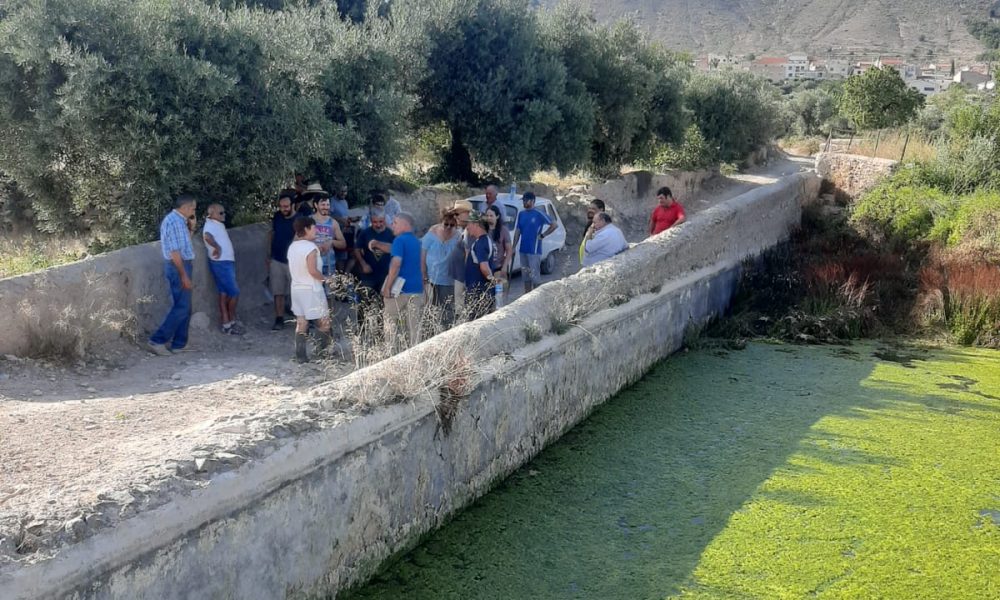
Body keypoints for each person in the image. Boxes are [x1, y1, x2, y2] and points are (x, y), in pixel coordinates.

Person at [148, 195, 198, 356]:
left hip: (182, 265)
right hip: (179, 267)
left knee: (185, 306)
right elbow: (175, 252)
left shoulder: (180, 221)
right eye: (193, 208)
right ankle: (157, 340)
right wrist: (184, 275)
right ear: (185, 207)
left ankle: (179, 344)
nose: (193, 211)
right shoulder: (174, 222)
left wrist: (192, 228)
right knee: (182, 307)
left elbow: (184, 244)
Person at [287, 217, 334, 362]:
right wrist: (326, 279)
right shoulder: (310, 248)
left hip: (296, 288)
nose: (316, 231)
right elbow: (313, 271)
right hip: (312, 289)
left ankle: (300, 356)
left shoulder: (292, 247)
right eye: (314, 228)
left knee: (301, 322)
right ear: (306, 229)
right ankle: (323, 354)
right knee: (324, 322)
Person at [381, 212, 424, 350]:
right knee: (414, 327)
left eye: (395, 222)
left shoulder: (399, 240)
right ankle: (415, 355)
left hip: (400, 290)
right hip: (417, 289)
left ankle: (390, 354)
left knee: (390, 322)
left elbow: (396, 264)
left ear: (405, 225)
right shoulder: (418, 242)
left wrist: (387, 286)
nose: (392, 225)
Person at [202, 203, 243, 335]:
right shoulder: (210, 225)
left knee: (223, 293)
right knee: (234, 292)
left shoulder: (217, 224)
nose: (223, 215)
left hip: (224, 262)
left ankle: (226, 324)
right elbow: (207, 236)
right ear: (212, 213)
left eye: (223, 212)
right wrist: (217, 248)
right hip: (221, 262)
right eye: (220, 213)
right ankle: (231, 319)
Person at [353, 208, 395, 330]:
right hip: (368, 275)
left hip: (385, 275)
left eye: (381, 221)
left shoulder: (391, 233)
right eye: (375, 222)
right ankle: (361, 329)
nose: (378, 224)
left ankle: (380, 330)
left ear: (385, 221)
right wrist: (363, 264)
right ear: (371, 221)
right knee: (363, 302)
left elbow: (396, 252)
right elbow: (356, 249)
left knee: (383, 304)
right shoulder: (365, 233)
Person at [422, 208, 460, 328]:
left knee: (448, 310)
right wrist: (423, 275)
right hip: (431, 278)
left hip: (448, 280)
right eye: (446, 224)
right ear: (441, 221)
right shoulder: (432, 233)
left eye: (452, 225)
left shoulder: (458, 236)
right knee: (429, 308)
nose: (449, 227)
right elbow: (422, 255)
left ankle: (447, 331)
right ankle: (430, 332)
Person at [512, 192, 557, 294]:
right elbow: (518, 231)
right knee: (525, 277)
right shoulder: (521, 214)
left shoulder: (538, 213)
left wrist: (543, 235)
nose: (524, 202)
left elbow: (554, 224)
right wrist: (513, 246)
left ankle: (536, 298)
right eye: (523, 200)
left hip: (534, 250)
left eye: (526, 200)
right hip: (523, 249)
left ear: (532, 201)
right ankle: (526, 297)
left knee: (535, 277)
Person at [267, 192, 297, 330]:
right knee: (277, 291)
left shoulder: (299, 219)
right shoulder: (277, 216)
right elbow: (272, 234)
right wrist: (268, 255)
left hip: (294, 261)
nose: (283, 209)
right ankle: (279, 318)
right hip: (277, 259)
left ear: (292, 205)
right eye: (281, 206)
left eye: (286, 206)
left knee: (297, 291)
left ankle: (303, 318)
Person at [463, 211, 495, 320]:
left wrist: (492, 282)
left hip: (478, 294)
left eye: (469, 224)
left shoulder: (481, 244)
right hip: (478, 292)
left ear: (476, 224)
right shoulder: (483, 241)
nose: (467, 227)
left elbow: (484, 268)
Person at [447, 200, 474, 315]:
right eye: (454, 214)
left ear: (466, 213)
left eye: (457, 214)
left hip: (463, 278)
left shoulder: (469, 231)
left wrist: (466, 281)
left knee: (460, 308)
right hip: (459, 276)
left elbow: (468, 254)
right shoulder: (465, 230)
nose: (455, 217)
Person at [313, 196, 347, 277]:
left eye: (328, 205)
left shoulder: (333, 222)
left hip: (329, 266)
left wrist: (331, 242)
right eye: (323, 205)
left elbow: (343, 244)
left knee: (329, 290)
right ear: (315, 205)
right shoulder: (308, 220)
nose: (326, 207)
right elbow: (296, 240)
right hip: (313, 265)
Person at [484, 204, 512, 300]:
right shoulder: (483, 230)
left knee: (500, 297)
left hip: (498, 268)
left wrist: (504, 267)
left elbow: (509, 250)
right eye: (487, 216)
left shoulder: (503, 230)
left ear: (497, 216)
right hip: (485, 268)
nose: (489, 218)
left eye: (491, 216)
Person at [330, 183, 352, 273]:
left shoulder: (345, 202)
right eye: (342, 191)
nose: (344, 193)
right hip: (334, 233)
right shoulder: (331, 201)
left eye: (345, 191)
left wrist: (351, 219)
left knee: (344, 257)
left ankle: (342, 280)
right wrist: (341, 220)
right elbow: (328, 215)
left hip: (344, 232)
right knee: (337, 258)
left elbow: (345, 217)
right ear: (337, 190)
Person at [579, 198, 606, 265]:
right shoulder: (591, 224)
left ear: (601, 210)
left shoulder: (602, 226)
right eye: (589, 208)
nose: (590, 211)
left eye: (593, 209)